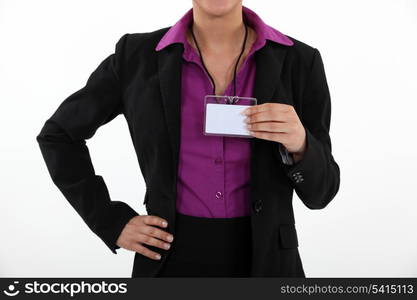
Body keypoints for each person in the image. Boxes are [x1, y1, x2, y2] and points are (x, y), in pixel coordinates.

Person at [37, 0, 340, 277]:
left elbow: (321, 193)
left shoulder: (301, 61)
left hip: (268, 262)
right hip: (168, 257)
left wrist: (301, 144)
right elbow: (59, 135)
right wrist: (110, 221)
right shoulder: (136, 56)